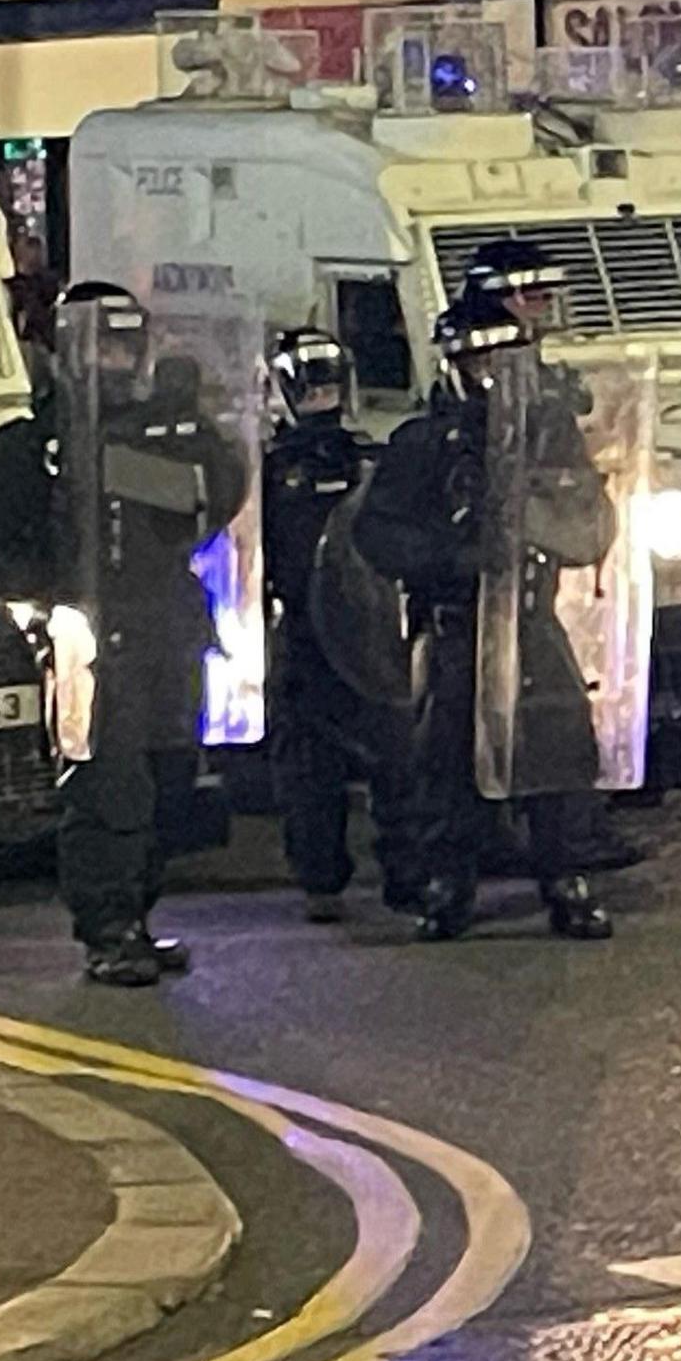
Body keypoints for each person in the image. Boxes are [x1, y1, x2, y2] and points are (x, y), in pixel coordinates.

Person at [0, 283, 251, 985]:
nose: (118, 360)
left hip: (166, 632)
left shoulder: (161, 430)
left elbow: (216, 501)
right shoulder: (31, 447)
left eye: (128, 345)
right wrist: (50, 600)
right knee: (107, 788)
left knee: (169, 783)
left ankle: (139, 917)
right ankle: (109, 927)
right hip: (87, 643)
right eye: (105, 345)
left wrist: (186, 429)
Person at [355, 295, 617, 942]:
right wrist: (453, 556)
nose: (493, 375)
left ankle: (566, 877)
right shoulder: (423, 444)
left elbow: (591, 524)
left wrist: (540, 521)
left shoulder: (549, 436)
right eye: (480, 362)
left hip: (531, 619)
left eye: (505, 360)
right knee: (448, 761)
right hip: (456, 624)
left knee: (558, 750)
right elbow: (377, 534)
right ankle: (449, 884)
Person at [259, 328, 418, 921]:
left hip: (367, 631)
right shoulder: (269, 472)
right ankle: (323, 879)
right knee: (308, 765)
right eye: (311, 387)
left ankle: (405, 870)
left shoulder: (367, 462)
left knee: (395, 756)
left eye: (329, 386)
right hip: (302, 630)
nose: (322, 397)